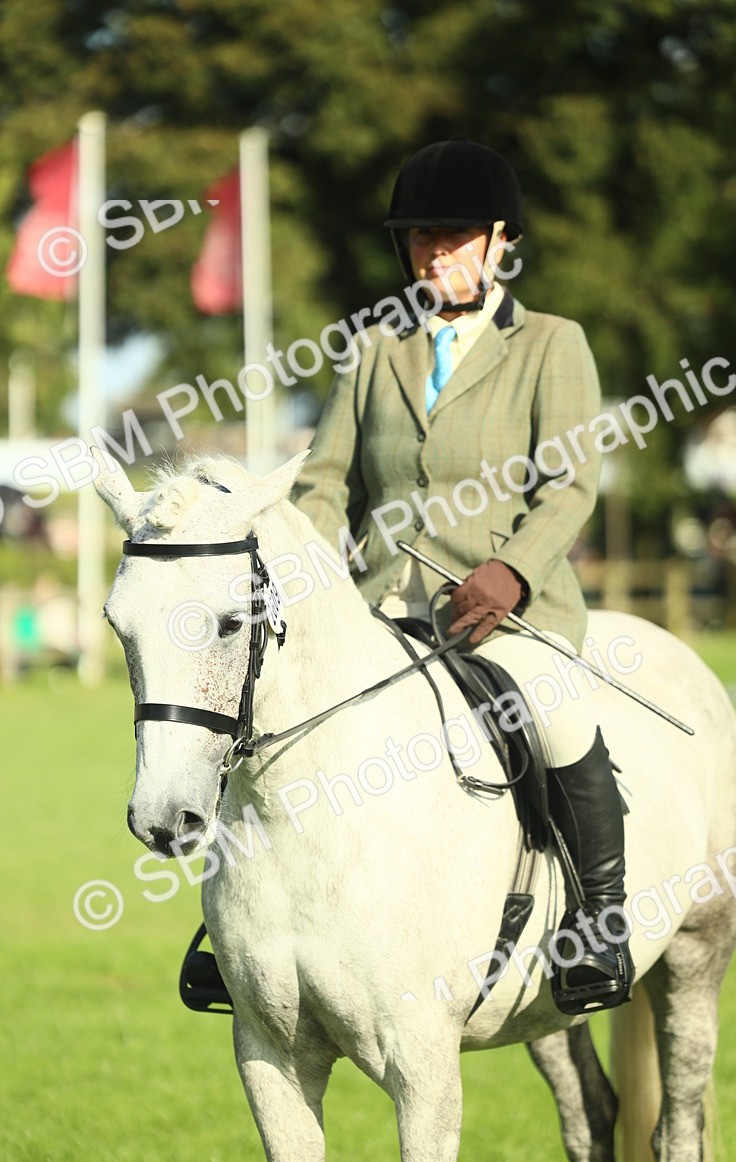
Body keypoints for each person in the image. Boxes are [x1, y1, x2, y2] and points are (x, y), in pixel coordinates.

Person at [292, 137, 634, 1016]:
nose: (435, 253)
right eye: (420, 238)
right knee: (276, 725)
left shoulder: (552, 344)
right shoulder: (372, 349)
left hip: (504, 618)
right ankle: (246, 935)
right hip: (379, 610)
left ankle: (599, 924)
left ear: (498, 241)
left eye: (454, 236)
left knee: (555, 715)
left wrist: (511, 571)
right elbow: (326, 481)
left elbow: (570, 484)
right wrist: (309, 569)